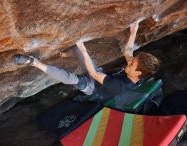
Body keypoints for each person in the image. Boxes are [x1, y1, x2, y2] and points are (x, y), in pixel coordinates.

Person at [12, 21, 160, 101]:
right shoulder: (136, 70)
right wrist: (134, 31)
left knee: (71, 78)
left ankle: (33, 62)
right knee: (77, 49)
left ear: (138, 72)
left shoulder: (120, 87)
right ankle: (65, 53)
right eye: (132, 61)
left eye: (132, 63)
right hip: (103, 76)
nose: (129, 62)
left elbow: (93, 74)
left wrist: (84, 50)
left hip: (94, 88)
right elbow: (128, 51)